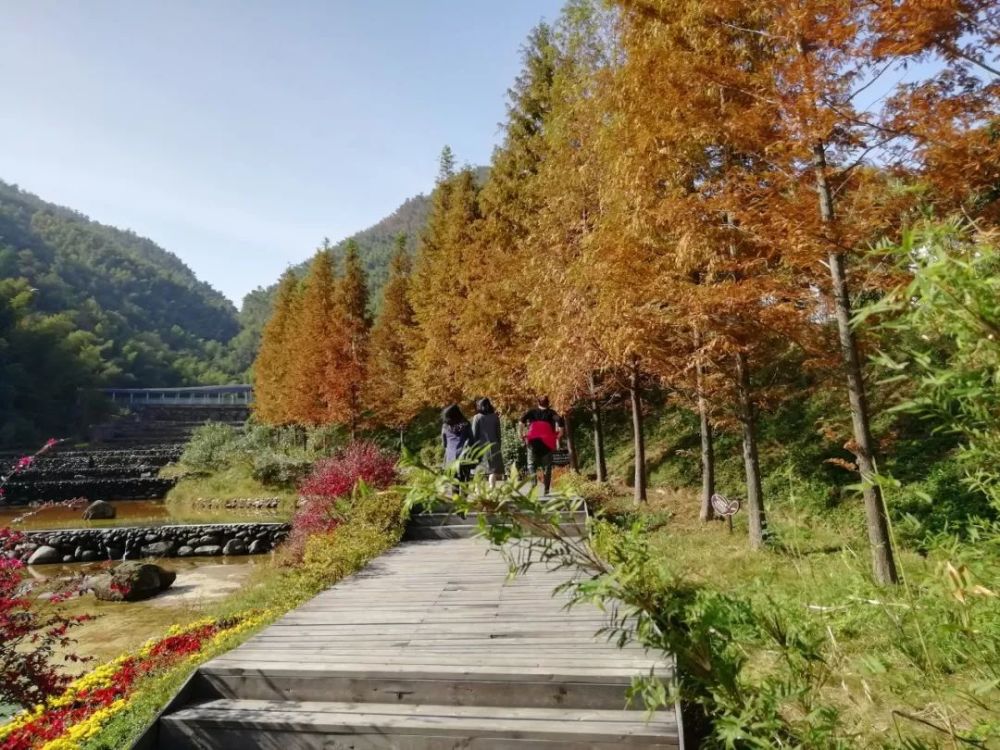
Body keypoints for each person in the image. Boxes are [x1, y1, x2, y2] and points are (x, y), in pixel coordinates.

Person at [520, 396, 563, 495]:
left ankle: (534, 484)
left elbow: (521, 421)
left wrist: (521, 434)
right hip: (546, 443)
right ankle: (546, 490)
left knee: (531, 464)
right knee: (547, 467)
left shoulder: (531, 412)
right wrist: (560, 433)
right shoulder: (551, 413)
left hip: (533, 441)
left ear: (538, 402)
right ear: (548, 403)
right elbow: (560, 420)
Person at [471, 397, 504, 488]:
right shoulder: (495, 417)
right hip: (494, 446)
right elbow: (498, 433)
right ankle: (492, 489)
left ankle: (478, 491)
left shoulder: (477, 417)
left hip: (481, 447)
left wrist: (473, 447)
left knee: (479, 469)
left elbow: (474, 433)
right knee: (493, 470)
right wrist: (499, 445)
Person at [441, 403, 473, 482]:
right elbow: (472, 439)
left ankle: (456, 494)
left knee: (454, 481)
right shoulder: (466, 424)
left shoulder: (445, 426)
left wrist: (447, 448)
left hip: (451, 456)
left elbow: (444, 443)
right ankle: (464, 494)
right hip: (464, 455)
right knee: (465, 480)